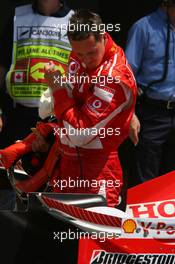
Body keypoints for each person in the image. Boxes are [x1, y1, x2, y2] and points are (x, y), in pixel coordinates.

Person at [32, 9, 137, 208]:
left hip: (96, 177)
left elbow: (80, 133)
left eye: (91, 53)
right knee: (59, 236)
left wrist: (58, 90)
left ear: (103, 36)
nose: (85, 59)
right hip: (65, 165)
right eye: (79, 53)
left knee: (91, 238)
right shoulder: (81, 49)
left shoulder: (113, 77)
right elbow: (72, 97)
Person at [0, 0, 73, 210]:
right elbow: (2, 65)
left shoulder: (75, 21)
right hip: (16, 116)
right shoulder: (17, 16)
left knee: (49, 190)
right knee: (8, 184)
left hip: (56, 121)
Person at [125, 0, 175, 183]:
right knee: (145, 181)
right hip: (152, 113)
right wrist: (131, 113)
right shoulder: (143, 28)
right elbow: (127, 76)